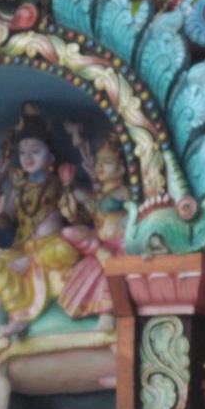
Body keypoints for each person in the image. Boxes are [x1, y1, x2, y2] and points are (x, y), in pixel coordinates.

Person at [0, 104, 86, 337]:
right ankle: (19, 316)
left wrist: (75, 192)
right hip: (22, 248)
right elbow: (7, 222)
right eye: (22, 153)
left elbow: (83, 211)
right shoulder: (19, 188)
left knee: (65, 250)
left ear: (51, 156)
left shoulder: (59, 183)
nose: (27, 158)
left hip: (52, 245)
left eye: (35, 151)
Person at [57, 126, 129, 329]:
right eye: (99, 162)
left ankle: (108, 313)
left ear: (122, 169)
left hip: (120, 247)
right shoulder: (98, 194)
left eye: (107, 162)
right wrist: (69, 186)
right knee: (68, 232)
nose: (100, 166)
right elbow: (86, 203)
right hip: (100, 247)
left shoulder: (123, 192)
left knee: (109, 272)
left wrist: (80, 193)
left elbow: (99, 204)